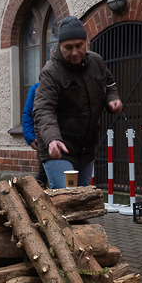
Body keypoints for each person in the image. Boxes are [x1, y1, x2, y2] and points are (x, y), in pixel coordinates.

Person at [32, 16, 122, 188]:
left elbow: (109, 84)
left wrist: (113, 99)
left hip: (85, 147)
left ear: (85, 43)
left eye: (79, 46)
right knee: (68, 195)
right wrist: (52, 139)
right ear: (59, 46)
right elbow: (43, 109)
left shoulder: (96, 61)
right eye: (68, 47)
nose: (74, 52)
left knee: (82, 198)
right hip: (58, 146)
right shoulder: (50, 72)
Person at [21, 81, 48, 184]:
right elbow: (28, 113)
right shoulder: (36, 88)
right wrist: (30, 137)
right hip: (43, 139)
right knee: (44, 172)